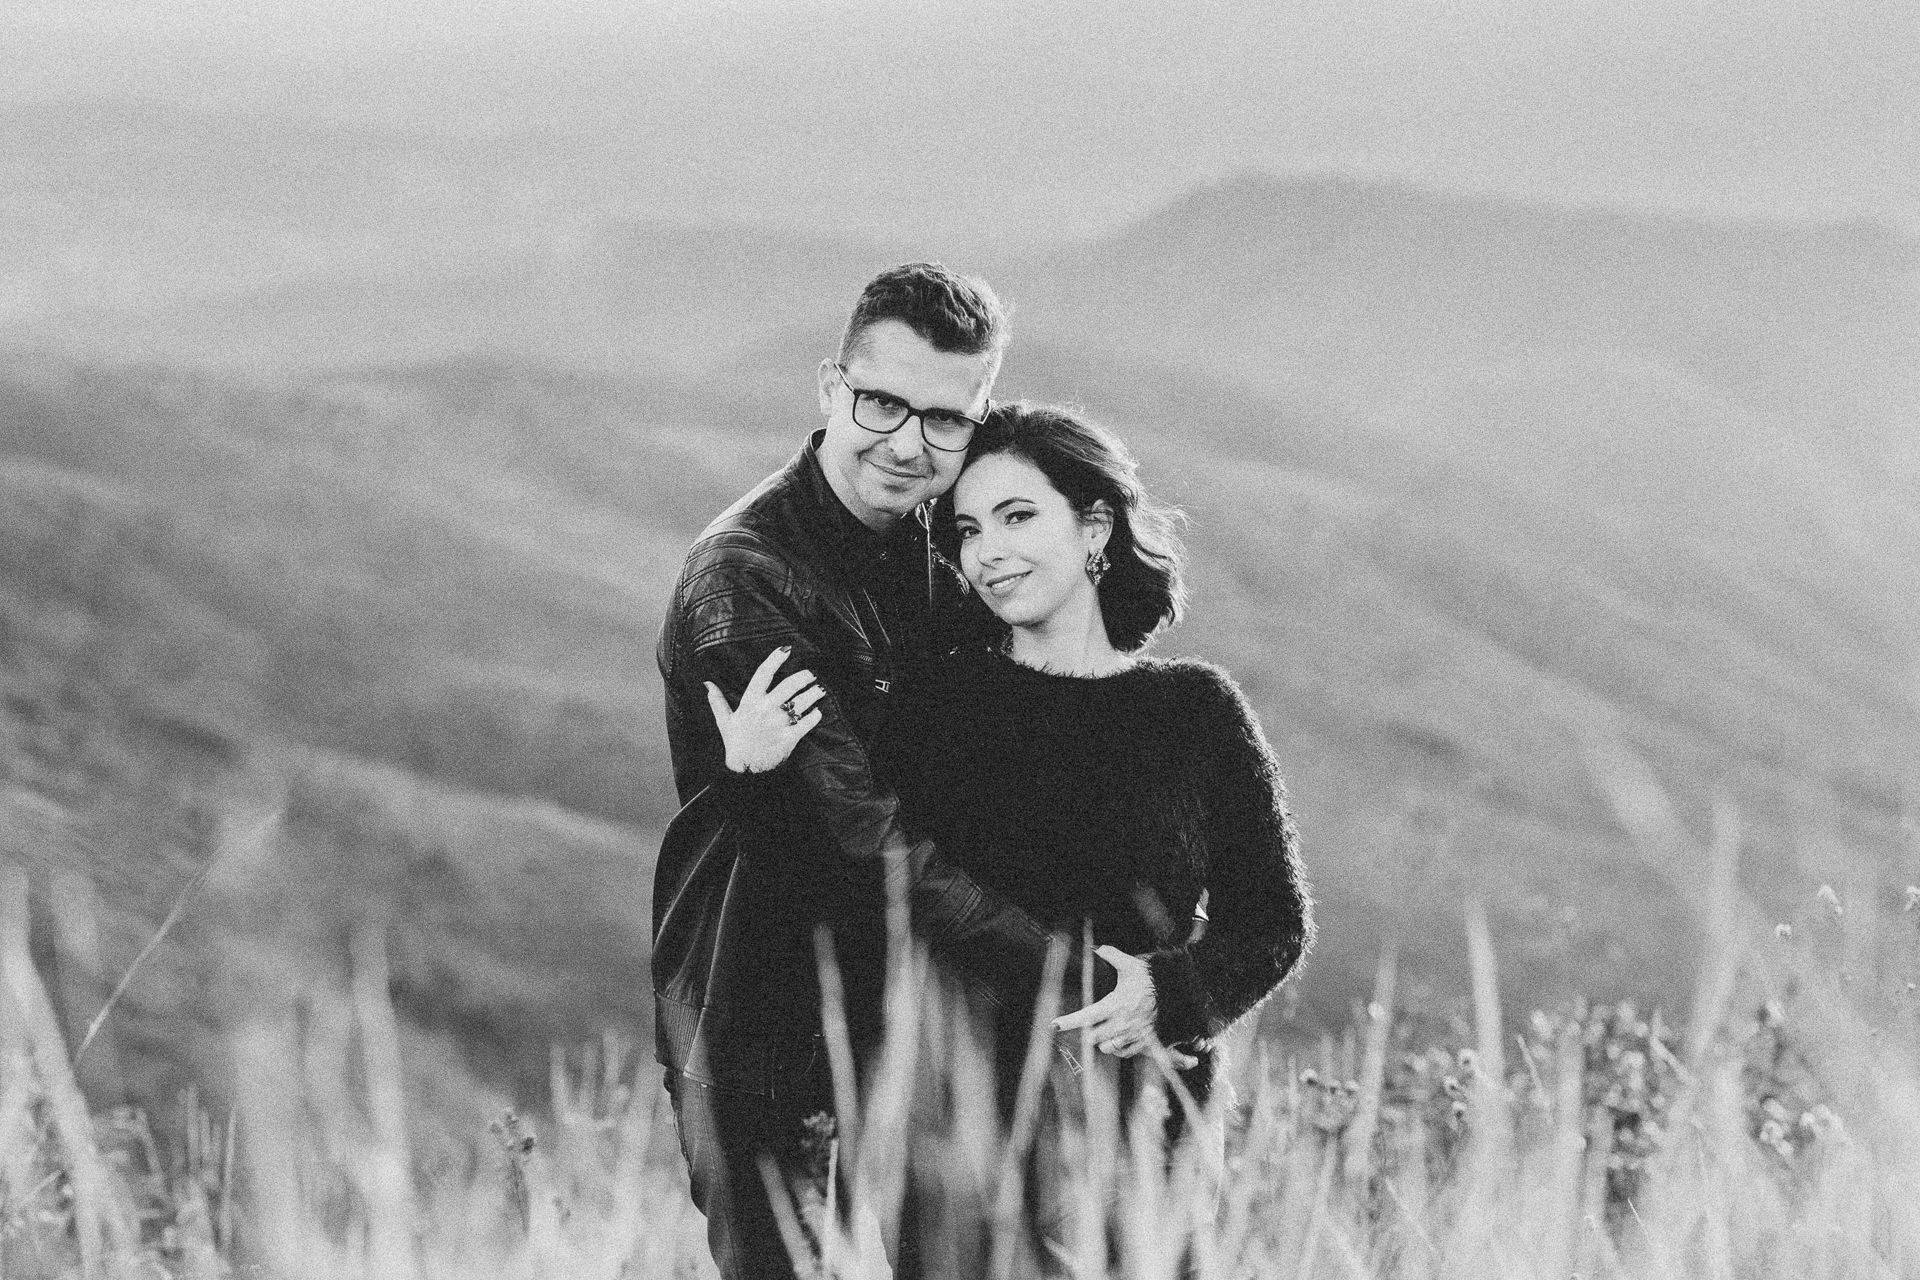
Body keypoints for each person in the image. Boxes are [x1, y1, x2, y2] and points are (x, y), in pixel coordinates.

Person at [710, 401, 1314, 1270]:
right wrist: (755, 777)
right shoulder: (933, 705)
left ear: (1095, 525)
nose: (988, 552)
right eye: (966, 530)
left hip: (1147, 1125)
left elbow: (1274, 921)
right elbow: (841, 887)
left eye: (1018, 516)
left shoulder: (1196, 713)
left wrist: (1173, 995)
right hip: (955, 1135)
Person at [653, 264, 1128, 1280]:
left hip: (926, 1011)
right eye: (881, 402)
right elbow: (858, 841)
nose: (909, 443)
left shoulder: (950, 543)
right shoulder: (746, 584)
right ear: (832, 386)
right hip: (769, 1020)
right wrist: (1064, 968)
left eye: (946, 419)